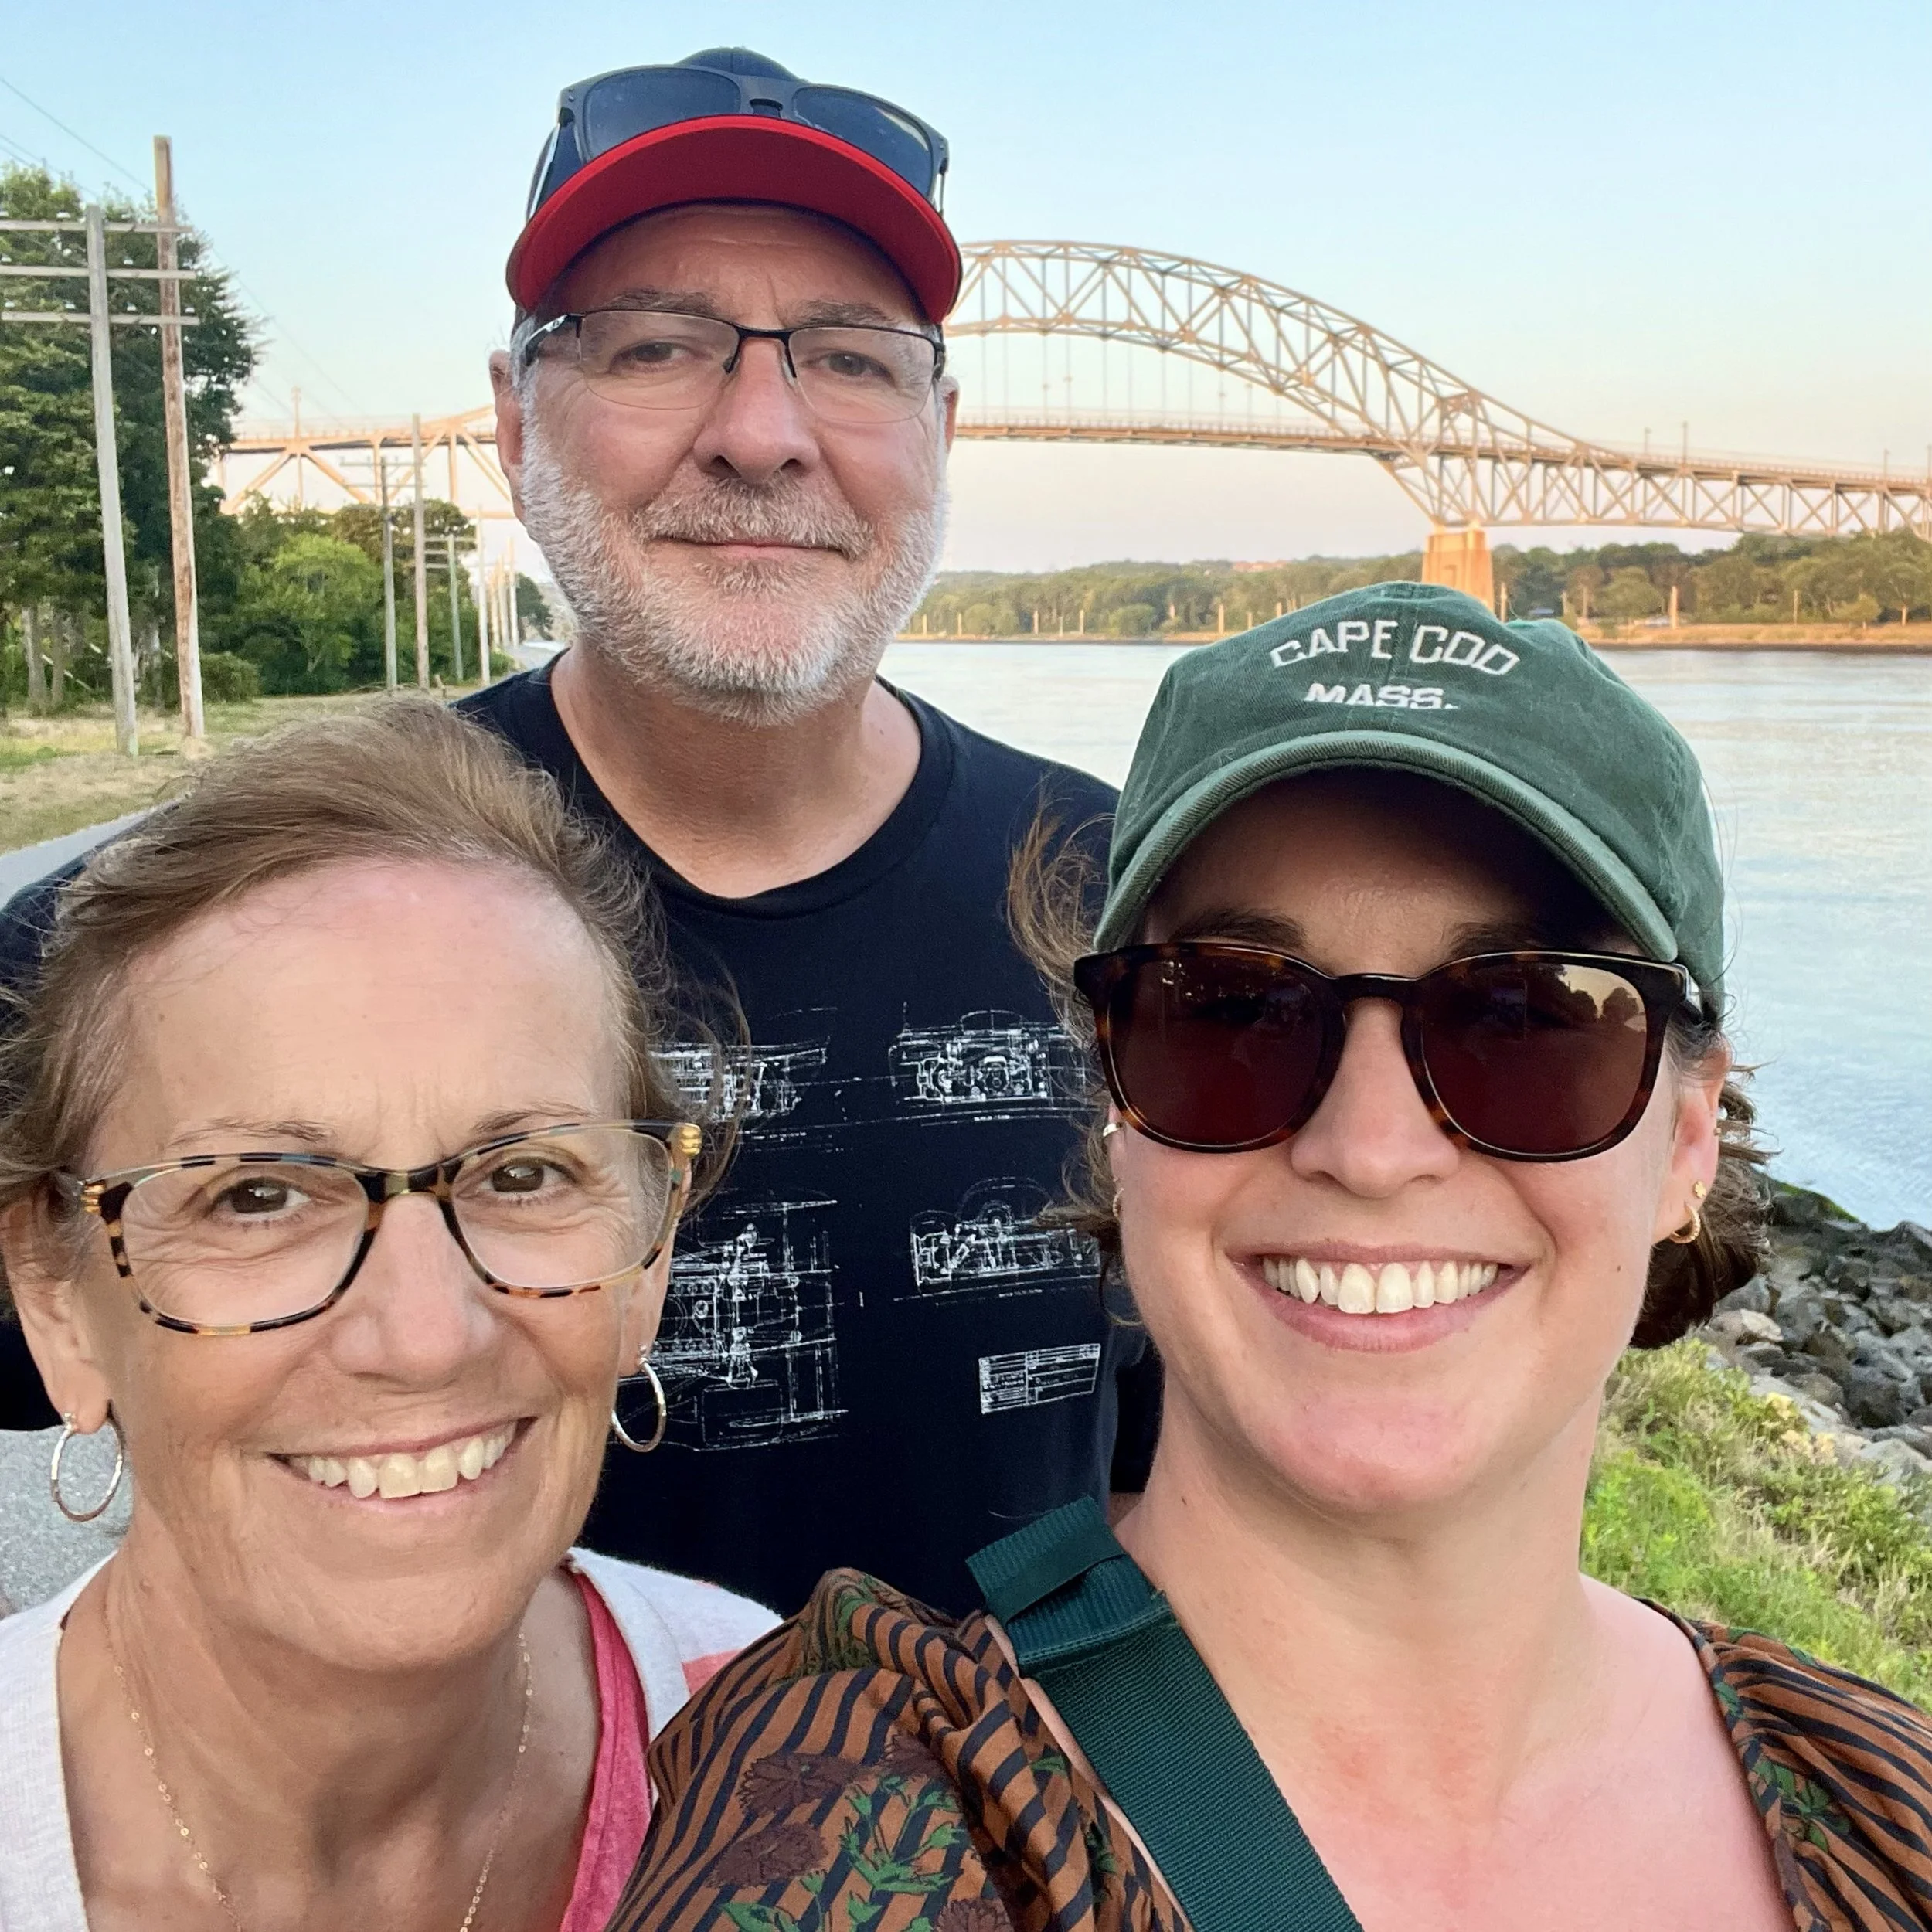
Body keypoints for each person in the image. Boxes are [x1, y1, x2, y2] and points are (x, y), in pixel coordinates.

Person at [0, 44, 1154, 1618]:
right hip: (456, 1860)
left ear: (939, 421)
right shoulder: (252, 906)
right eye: (654, 347)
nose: (761, 430)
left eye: (850, 356)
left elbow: (1204, 1462)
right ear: (511, 418)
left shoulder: (1138, 896)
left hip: (993, 1856)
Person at [614, 584, 1932, 1931]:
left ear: (1690, 1142)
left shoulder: (1881, 1810)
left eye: (1531, 1021)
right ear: (1114, 1106)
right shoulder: (884, 1816)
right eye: (1231, 1010)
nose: (1370, 1149)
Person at [0, 704, 774, 1931]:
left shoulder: (782, 1751)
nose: (424, 1337)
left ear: (652, 1251)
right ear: (58, 1299)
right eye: (256, 1196)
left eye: (523, 1174)